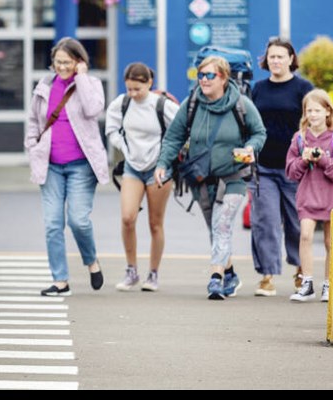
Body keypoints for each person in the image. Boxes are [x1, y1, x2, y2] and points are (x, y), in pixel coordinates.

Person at [155, 55, 266, 301]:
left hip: (233, 176)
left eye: (209, 75)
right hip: (201, 177)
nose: (203, 80)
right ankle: (230, 274)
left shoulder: (242, 103)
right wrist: (163, 163)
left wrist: (250, 148)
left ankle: (215, 278)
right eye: (200, 75)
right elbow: (174, 137)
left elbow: (259, 132)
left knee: (222, 225)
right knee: (215, 231)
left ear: (224, 78)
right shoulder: (192, 103)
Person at [26, 37, 109, 297]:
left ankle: (91, 261)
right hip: (50, 165)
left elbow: (93, 109)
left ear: (79, 62)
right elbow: (32, 121)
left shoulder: (91, 84)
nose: (61, 67)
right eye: (58, 62)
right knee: (52, 223)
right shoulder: (44, 87)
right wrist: (32, 147)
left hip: (81, 166)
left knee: (78, 221)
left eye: (67, 62)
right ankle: (60, 280)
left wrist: (81, 78)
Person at [105, 62, 178, 292]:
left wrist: (165, 157)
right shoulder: (121, 103)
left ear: (149, 83)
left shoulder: (161, 105)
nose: (133, 94)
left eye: (138, 89)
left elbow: (179, 131)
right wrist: (124, 147)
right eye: (129, 89)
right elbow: (111, 129)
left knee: (155, 223)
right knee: (128, 218)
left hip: (158, 169)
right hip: (132, 168)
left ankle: (153, 274)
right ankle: (131, 270)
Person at [249, 38, 313, 297]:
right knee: (266, 221)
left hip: (295, 168)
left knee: (297, 223)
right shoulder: (258, 89)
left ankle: (301, 268)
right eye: (271, 57)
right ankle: (267, 275)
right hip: (263, 166)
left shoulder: (303, 88)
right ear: (266, 60)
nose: (275, 61)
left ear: (290, 59)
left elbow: (313, 121)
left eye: (280, 56)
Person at [285, 89, 333, 303]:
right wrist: (304, 160)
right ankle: (307, 282)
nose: (312, 115)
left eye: (317, 110)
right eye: (308, 110)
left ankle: (329, 284)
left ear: (327, 112)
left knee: (331, 242)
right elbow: (291, 171)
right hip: (308, 197)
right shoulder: (300, 139)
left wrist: (323, 160)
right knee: (304, 236)